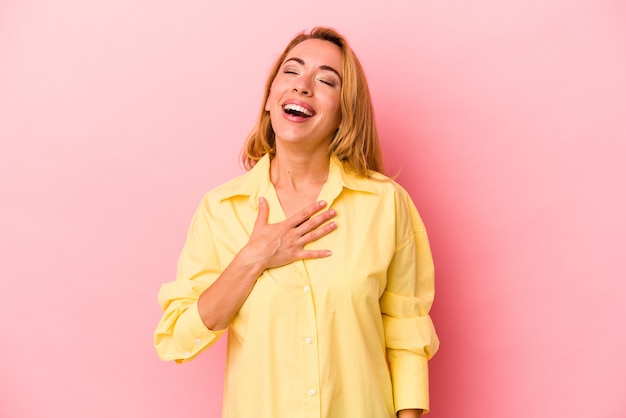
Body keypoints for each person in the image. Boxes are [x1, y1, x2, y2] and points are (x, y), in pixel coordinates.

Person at [154, 26, 439, 418]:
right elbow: (176, 338)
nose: (303, 86)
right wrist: (251, 259)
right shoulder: (220, 210)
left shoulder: (385, 204)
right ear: (270, 98)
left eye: (326, 80)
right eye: (291, 71)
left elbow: (406, 331)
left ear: (344, 112)